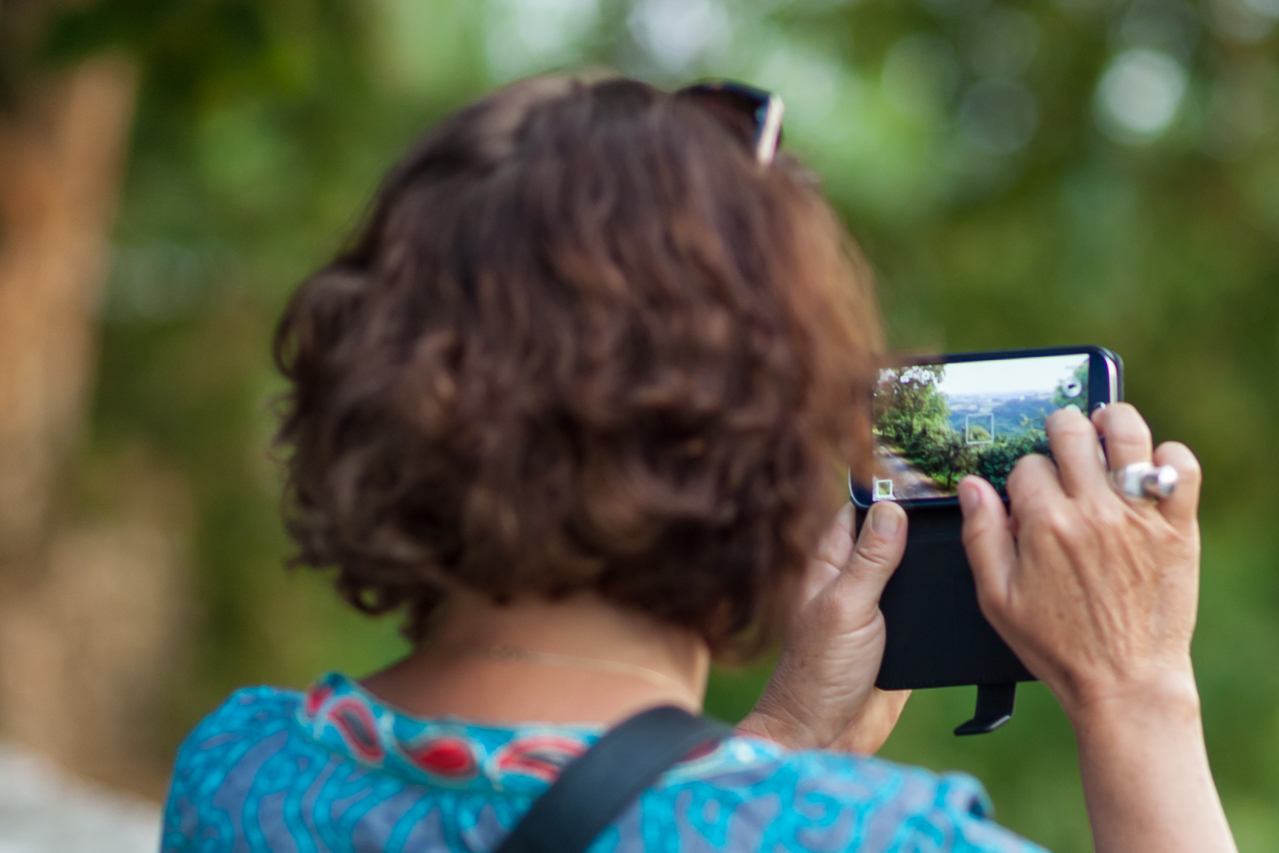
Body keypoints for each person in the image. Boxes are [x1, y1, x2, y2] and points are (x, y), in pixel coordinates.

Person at [159, 75, 1237, 853]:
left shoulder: (242, 773)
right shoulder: (882, 840)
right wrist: (1136, 688)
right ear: (760, 430)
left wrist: (780, 745)